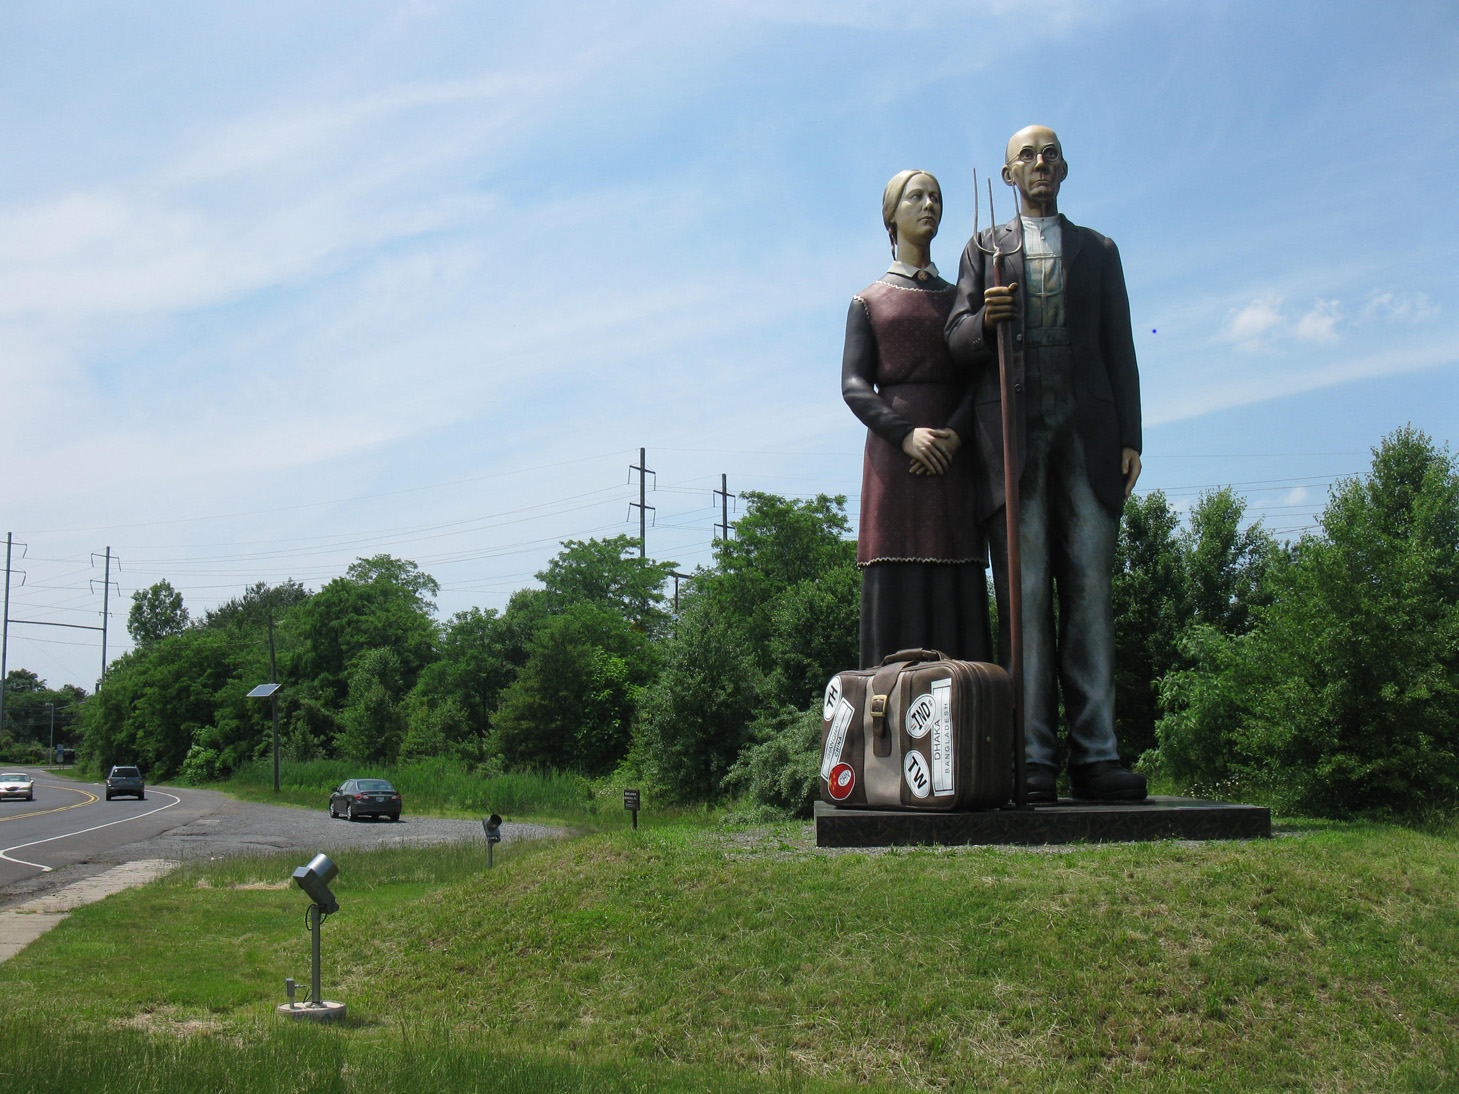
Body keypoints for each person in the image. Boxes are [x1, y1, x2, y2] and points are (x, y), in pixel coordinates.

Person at [944, 127, 1146, 802]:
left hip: (1087, 439)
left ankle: (1097, 755)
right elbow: (955, 338)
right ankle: (1031, 756)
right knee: (1024, 600)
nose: (1039, 163)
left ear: (1064, 167)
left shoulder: (1098, 250)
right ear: (1007, 174)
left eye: (1049, 153)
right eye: (1026, 155)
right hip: (1013, 442)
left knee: (1090, 594)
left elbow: (1118, 344)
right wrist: (983, 321)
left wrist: (1132, 436)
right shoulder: (983, 248)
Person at [842, 169, 991, 669]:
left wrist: (955, 434)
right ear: (892, 213)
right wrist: (906, 436)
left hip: (954, 459)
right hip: (893, 462)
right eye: (916, 196)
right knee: (893, 579)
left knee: (959, 583)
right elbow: (854, 385)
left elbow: (980, 380)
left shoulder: (960, 300)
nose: (929, 204)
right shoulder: (868, 300)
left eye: (936, 197)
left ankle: (966, 723)